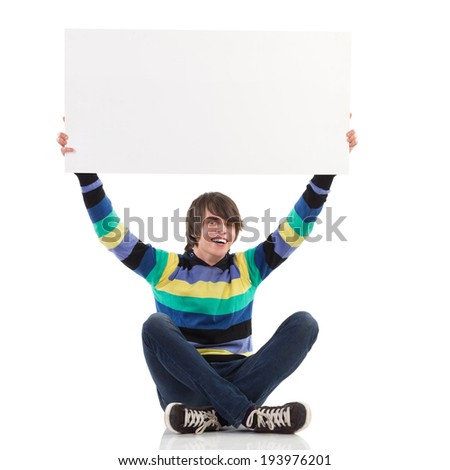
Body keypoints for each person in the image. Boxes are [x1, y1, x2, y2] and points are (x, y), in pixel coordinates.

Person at [57, 128, 358, 435]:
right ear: (195, 228)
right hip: (184, 388)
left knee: (304, 324)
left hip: (240, 380)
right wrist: (85, 173)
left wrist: (327, 171)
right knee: (154, 325)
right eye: (213, 221)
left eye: (230, 224)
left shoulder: (249, 267)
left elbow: (297, 226)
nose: (223, 230)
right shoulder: (164, 267)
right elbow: (113, 234)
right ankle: (247, 415)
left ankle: (215, 417)